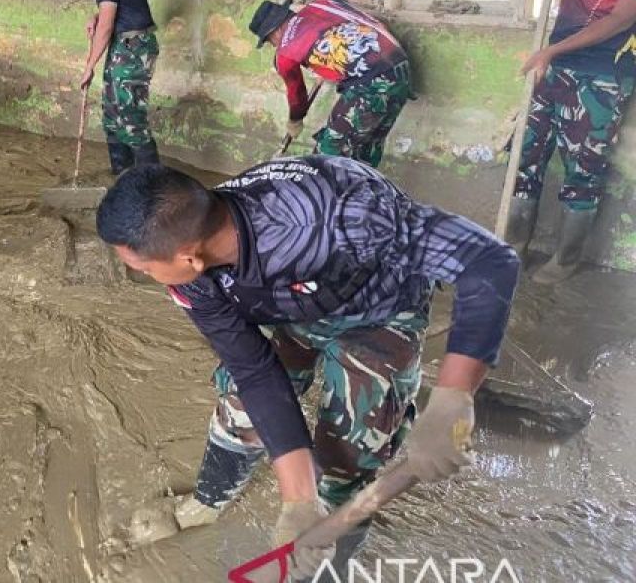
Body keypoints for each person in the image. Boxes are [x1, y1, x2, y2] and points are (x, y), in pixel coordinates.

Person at [96, 159, 519, 580]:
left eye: (145, 269)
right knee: (241, 405)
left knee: (352, 445)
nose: (148, 276)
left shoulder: (343, 218)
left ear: (190, 257)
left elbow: (487, 261)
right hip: (292, 307)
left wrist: (453, 396)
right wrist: (297, 499)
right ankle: (209, 501)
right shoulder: (193, 276)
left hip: (381, 309)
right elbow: (252, 366)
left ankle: (327, 555)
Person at [508, 0, 636, 284]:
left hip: (602, 74)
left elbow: (620, 19)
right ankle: (511, 245)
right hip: (554, 63)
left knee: (584, 166)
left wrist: (552, 49)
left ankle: (565, 259)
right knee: (526, 153)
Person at [248, 0, 411, 168]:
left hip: (371, 81)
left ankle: (318, 193)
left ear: (274, 31)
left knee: (328, 152)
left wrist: (295, 120)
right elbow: (366, 25)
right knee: (367, 149)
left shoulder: (284, 54)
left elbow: (297, 96)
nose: (273, 45)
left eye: (269, 41)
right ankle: (362, 192)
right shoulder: (323, 3)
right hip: (401, 66)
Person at [75, 0, 160, 175]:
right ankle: (121, 177)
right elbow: (115, 10)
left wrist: (90, 66)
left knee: (130, 118)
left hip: (133, 49)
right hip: (124, 47)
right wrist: (97, 15)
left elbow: (108, 26)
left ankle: (153, 188)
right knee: (113, 117)